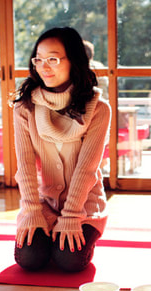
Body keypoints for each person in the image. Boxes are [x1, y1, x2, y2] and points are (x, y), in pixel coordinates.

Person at [12, 27, 111, 273]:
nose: (44, 67)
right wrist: (32, 211)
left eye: (53, 59)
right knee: (30, 259)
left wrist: (71, 216)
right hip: (43, 202)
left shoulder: (99, 109)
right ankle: (48, 235)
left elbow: (87, 169)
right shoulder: (25, 107)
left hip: (84, 204)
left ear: (74, 60)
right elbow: (24, 167)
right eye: (38, 60)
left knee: (69, 260)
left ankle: (74, 237)